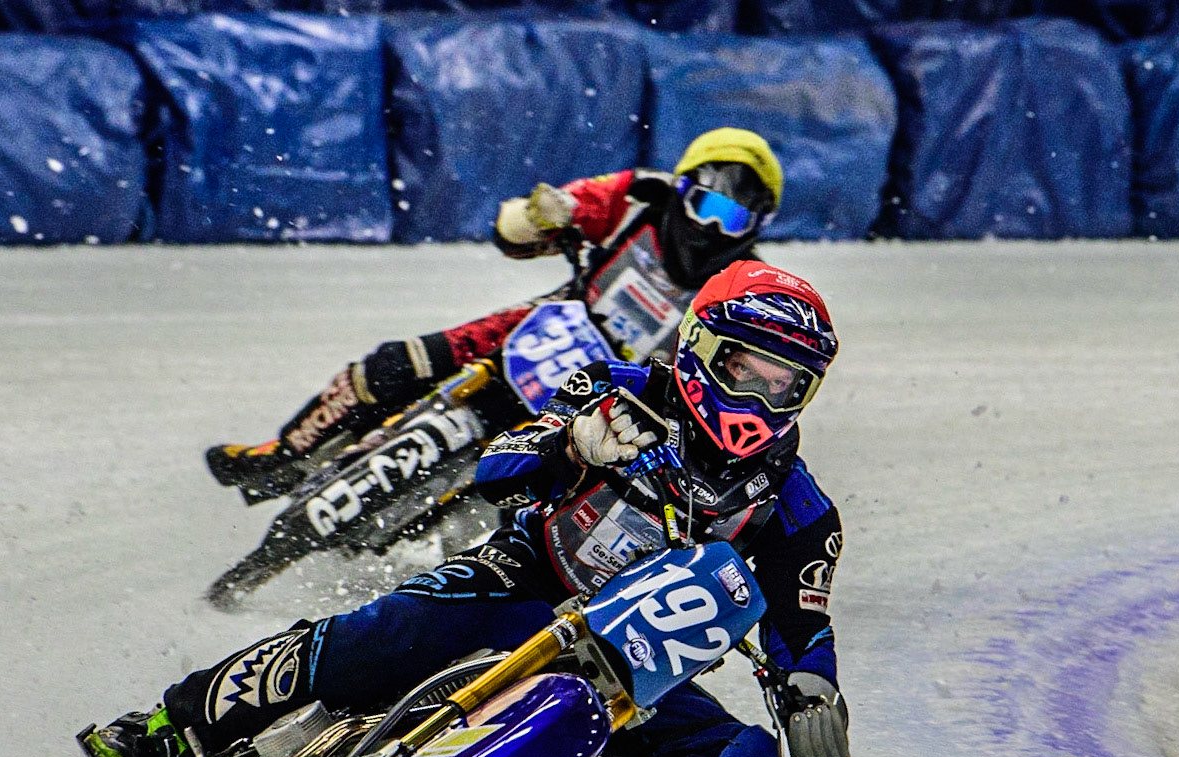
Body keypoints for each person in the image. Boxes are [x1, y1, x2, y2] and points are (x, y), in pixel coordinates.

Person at [89, 261, 850, 757]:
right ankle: (164, 724)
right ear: (699, 349)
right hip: (522, 582)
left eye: (786, 384)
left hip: (632, 663)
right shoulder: (614, 388)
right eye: (746, 367)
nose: (761, 394)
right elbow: (498, 464)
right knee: (376, 634)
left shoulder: (799, 509)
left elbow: (802, 624)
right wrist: (571, 443)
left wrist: (812, 693)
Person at [205, 127, 785, 504]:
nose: (711, 229)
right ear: (681, 186)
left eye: (734, 221)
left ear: (755, 230)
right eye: (706, 205)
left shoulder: (746, 286)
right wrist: (541, 216)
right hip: (548, 325)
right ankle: (283, 456)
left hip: (625, 396)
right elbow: (523, 231)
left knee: (583, 493)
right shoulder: (638, 194)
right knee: (394, 363)